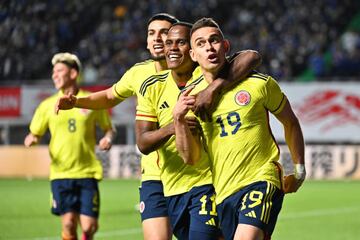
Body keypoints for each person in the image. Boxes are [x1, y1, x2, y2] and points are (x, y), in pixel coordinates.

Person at [55, 13, 261, 240]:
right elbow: (110, 97)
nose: (159, 39)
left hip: (203, 176)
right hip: (156, 175)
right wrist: (77, 101)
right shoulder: (142, 76)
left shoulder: (201, 68)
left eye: (165, 33)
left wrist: (213, 88)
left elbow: (248, 57)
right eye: (152, 33)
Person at [173, 18, 306, 240]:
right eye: (201, 43)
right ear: (193, 55)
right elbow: (191, 157)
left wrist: (298, 169)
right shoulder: (190, 98)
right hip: (224, 191)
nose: (209, 47)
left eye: (214, 40)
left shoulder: (259, 84)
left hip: (262, 178)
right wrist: (178, 119)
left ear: (225, 46)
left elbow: (290, 122)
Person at [135, 22, 261, 240]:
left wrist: (214, 87)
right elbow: (143, 143)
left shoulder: (207, 75)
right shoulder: (152, 86)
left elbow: (250, 56)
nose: (173, 48)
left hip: (207, 183)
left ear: (192, 52)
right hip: (171, 186)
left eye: (181, 42)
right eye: (169, 43)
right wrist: (174, 126)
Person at [24, 52, 115, 240]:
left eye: (59, 70)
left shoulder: (91, 101)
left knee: (89, 227)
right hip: (60, 174)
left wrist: (108, 138)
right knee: (68, 224)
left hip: (87, 173)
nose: (54, 75)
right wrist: (32, 138)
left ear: (73, 74)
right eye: (53, 72)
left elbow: (109, 129)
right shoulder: (47, 105)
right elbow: (35, 133)